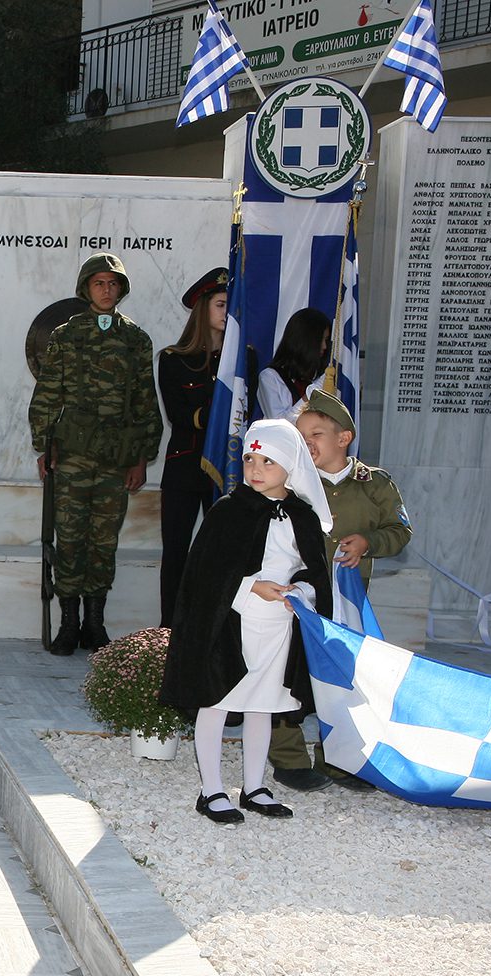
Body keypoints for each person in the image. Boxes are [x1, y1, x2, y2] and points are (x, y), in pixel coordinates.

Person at [162, 419, 334, 825]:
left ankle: (254, 786)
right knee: (217, 702)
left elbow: (314, 573)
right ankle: (212, 790)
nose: (255, 469)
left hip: (279, 629)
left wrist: (301, 593)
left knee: (264, 706)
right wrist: (251, 587)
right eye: (250, 459)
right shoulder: (228, 511)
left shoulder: (302, 517)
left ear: (290, 466)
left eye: (267, 461)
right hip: (231, 627)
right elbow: (205, 572)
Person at [268, 390, 413, 790]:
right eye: (301, 435)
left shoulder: (375, 484)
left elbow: (400, 531)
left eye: (316, 433)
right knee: (289, 675)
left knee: (343, 682)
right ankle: (288, 757)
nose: (306, 442)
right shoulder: (290, 481)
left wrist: (369, 542)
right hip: (296, 603)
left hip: (346, 606)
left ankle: (338, 759)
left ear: (343, 439)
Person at [30, 252, 162, 655]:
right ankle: (69, 623)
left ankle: (94, 623)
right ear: (86, 288)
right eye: (99, 283)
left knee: (103, 542)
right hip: (71, 455)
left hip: (115, 457)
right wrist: (45, 446)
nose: (106, 290)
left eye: (113, 283)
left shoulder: (135, 339)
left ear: (121, 289)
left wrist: (141, 456)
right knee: (68, 539)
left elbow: (144, 401)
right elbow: (48, 394)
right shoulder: (66, 336)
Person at [156, 267, 244, 628]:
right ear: (202, 309)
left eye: (231, 305)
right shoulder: (174, 359)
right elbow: (180, 416)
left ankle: (215, 628)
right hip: (185, 469)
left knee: (224, 555)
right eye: (221, 304)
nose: (227, 312)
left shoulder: (244, 361)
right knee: (176, 553)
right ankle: (169, 631)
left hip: (228, 470)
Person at [257, 308, 331, 422]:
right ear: (304, 341)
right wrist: (314, 391)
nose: (324, 346)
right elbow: (280, 424)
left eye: (326, 340)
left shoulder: (319, 376)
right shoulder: (270, 377)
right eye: (320, 340)